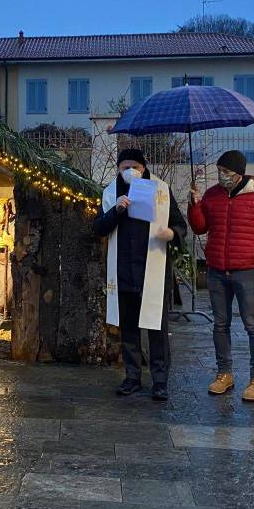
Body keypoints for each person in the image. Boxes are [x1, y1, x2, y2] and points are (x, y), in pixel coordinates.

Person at [93, 148, 187, 401]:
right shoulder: (110, 193)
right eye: (125, 167)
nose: (130, 171)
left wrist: (172, 234)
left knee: (156, 328)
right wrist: (116, 211)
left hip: (152, 269)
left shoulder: (161, 189)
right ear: (118, 169)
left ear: (144, 168)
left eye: (135, 166)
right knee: (129, 328)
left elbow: (180, 224)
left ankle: (160, 381)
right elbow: (99, 228)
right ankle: (132, 376)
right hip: (124, 270)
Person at [188, 150, 254, 402]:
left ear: (239, 173)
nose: (222, 175)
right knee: (220, 324)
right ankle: (224, 374)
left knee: (252, 325)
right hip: (217, 270)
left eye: (226, 171)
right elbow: (200, 227)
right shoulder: (213, 195)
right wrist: (194, 204)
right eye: (219, 171)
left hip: (246, 271)